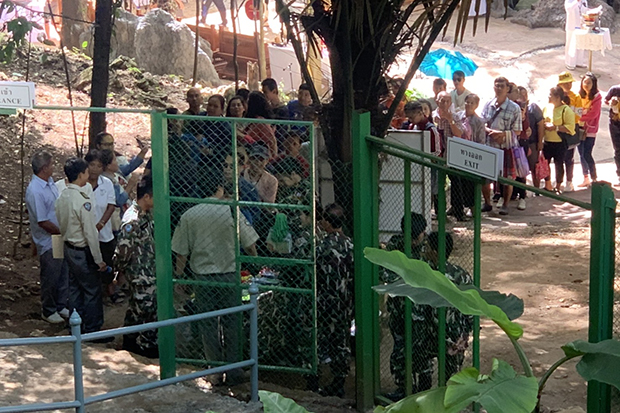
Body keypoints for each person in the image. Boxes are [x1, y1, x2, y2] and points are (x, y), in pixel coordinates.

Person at [171, 171, 258, 380]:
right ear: (219, 189)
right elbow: (250, 244)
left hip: (203, 277)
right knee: (232, 322)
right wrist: (255, 262)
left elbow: (182, 252)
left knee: (208, 324)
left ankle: (215, 371)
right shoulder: (230, 211)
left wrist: (179, 277)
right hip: (229, 274)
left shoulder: (190, 215)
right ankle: (235, 370)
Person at [55, 157, 108, 336]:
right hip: (82, 249)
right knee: (92, 289)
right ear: (80, 175)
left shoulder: (62, 196)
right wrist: (98, 259)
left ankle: (75, 326)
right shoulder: (82, 200)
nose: (88, 174)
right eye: (86, 171)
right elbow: (90, 233)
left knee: (74, 288)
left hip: (68, 246)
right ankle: (93, 329)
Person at [307, 203, 354, 397]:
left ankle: (313, 380)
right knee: (341, 341)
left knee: (318, 338)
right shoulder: (350, 246)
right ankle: (339, 381)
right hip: (343, 304)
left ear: (327, 222)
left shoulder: (320, 246)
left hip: (322, 302)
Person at [418, 232, 474, 388]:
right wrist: (465, 334)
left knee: (425, 371)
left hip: (431, 333)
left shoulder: (423, 275)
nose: (424, 249)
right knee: (449, 376)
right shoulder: (461, 275)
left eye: (427, 247)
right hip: (451, 334)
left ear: (434, 253)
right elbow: (471, 309)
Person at [381, 212, 427, 401]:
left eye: (421, 235)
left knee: (422, 349)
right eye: (415, 237)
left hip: (422, 311)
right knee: (400, 348)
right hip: (399, 308)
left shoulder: (427, 249)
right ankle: (403, 387)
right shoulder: (395, 244)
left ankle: (424, 389)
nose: (418, 240)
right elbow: (386, 273)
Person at [114, 176, 158, 358]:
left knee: (136, 309)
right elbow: (123, 250)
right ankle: (146, 347)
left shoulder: (146, 215)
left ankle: (130, 342)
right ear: (147, 197)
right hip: (140, 274)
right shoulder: (132, 220)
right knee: (148, 309)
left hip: (148, 272)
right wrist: (121, 271)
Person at [25, 150, 69, 324]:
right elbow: (42, 220)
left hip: (58, 236)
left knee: (62, 271)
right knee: (50, 275)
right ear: (44, 168)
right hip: (48, 238)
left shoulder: (50, 183)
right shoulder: (35, 191)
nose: (53, 167)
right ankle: (48, 309)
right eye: (51, 164)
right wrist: (61, 231)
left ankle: (60, 304)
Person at [481, 76, 522, 215]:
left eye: (501, 86)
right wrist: (490, 132)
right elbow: (483, 124)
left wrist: (502, 134)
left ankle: (505, 204)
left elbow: (517, 130)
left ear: (507, 89)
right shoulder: (488, 104)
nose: (498, 89)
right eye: (496, 86)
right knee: (485, 178)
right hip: (489, 146)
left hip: (506, 147)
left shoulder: (514, 108)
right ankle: (487, 203)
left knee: (507, 178)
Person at [434, 92, 472, 221]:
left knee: (456, 183)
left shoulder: (455, 117)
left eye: (447, 101)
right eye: (442, 101)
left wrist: (450, 121)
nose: (445, 104)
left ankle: (458, 211)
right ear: (437, 101)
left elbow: (459, 134)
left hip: (452, 155)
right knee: (437, 184)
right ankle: (440, 213)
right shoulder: (433, 117)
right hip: (437, 156)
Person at [85, 150, 117, 301]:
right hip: (85, 232)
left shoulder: (107, 183)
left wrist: (101, 224)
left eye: (98, 166)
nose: (94, 169)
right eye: (92, 165)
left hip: (104, 232)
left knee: (107, 260)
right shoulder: (81, 184)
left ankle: (110, 288)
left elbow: (111, 205)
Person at [542, 86, 576, 193]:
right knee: (545, 164)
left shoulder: (566, 110)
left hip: (560, 143)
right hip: (547, 141)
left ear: (557, 97)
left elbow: (570, 128)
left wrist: (556, 127)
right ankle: (547, 184)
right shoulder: (547, 108)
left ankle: (558, 185)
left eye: (551, 95)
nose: (549, 97)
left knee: (559, 164)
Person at [464, 94, 493, 212]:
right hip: (460, 153)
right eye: (467, 102)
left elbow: (481, 141)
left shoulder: (479, 121)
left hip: (473, 154)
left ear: (476, 105)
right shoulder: (458, 117)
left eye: (472, 103)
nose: (469, 105)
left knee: (475, 182)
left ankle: (475, 206)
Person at [557, 71, 583, 192]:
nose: (568, 85)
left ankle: (569, 181)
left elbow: (579, 115)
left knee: (569, 157)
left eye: (569, 83)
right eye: (565, 83)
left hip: (571, 130)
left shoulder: (576, 97)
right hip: (558, 131)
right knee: (558, 157)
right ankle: (558, 180)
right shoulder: (556, 96)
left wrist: (567, 120)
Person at [517, 86, 545, 191]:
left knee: (534, 166)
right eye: (520, 94)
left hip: (532, 143)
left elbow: (541, 125)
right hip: (519, 144)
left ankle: (536, 190)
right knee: (521, 168)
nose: (522, 96)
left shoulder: (533, 108)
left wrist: (540, 142)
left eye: (524, 94)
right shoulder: (515, 109)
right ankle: (522, 191)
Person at [576, 72, 601, 187]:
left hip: (590, 130)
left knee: (587, 153)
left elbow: (593, 114)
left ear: (593, 84)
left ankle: (594, 177)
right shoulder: (579, 96)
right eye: (584, 82)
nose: (586, 85)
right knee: (581, 153)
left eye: (589, 83)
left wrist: (579, 118)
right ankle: (585, 177)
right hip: (579, 128)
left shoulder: (597, 98)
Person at [244, 91, 278, 159]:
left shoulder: (260, 122)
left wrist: (272, 159)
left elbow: (271, 141)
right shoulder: (252, 121)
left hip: (260, 157)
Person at [604, 83, 620, 186]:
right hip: (615, 124)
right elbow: (606, 100)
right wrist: (611, 102)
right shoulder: (615, 89)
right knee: (618, 150)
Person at [564, 0, 588, 70]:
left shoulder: (584, 1)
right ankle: (569, 63)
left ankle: (579, 62)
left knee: (581, 44)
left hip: (581, 25)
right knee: (571, 44)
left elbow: (585, 10)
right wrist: (576, 1)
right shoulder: (569, 1)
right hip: (572, 26)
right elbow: (569, 9)